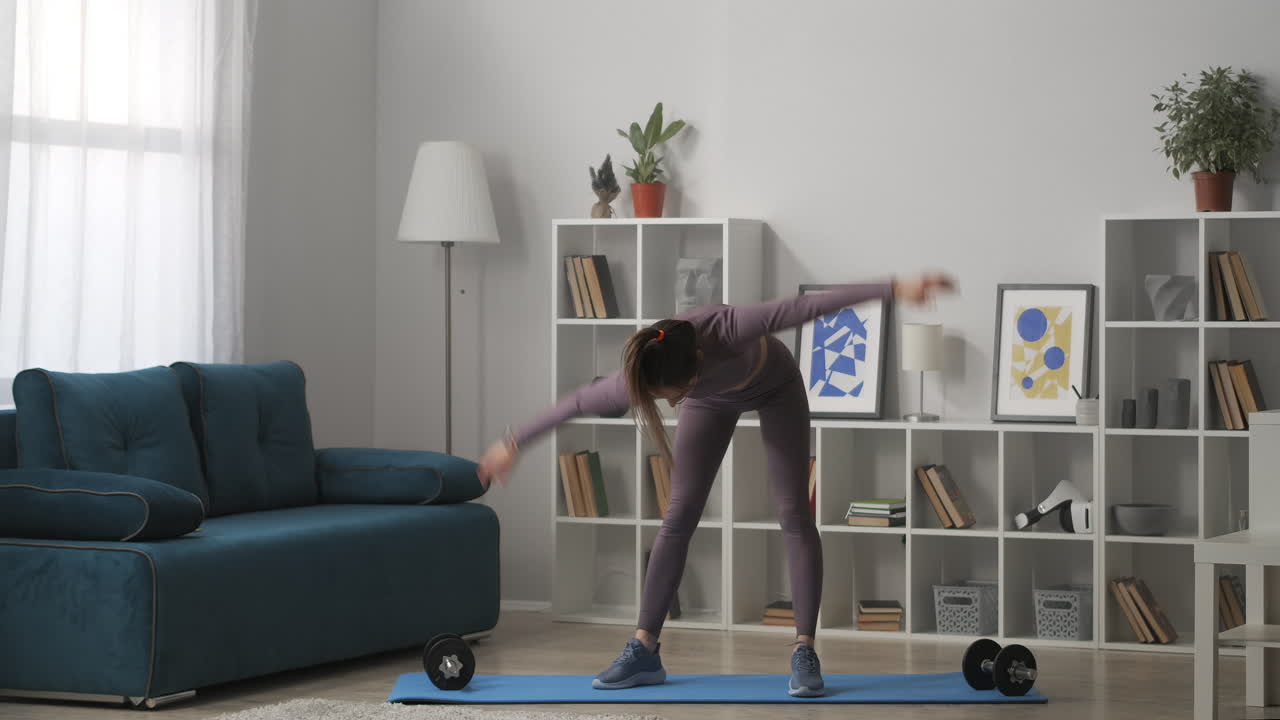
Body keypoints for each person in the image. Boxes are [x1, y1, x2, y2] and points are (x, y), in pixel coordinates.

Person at [478, 272, 955, 697]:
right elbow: (581, 402)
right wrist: (513, 442)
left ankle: (804, 651)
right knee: (678, 514)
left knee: (793, 511)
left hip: (776, 387)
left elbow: (805, 307)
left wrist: (895, 288)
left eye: (674, 396)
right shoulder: (650, 364)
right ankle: (644, 649)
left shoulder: (728, 329)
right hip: (713, 402)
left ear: (698, 364)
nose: (669, 405)